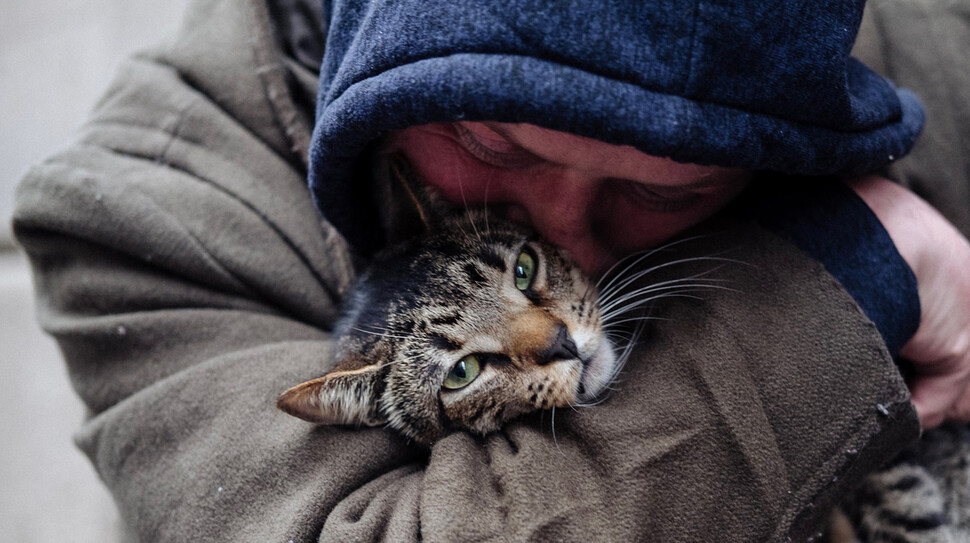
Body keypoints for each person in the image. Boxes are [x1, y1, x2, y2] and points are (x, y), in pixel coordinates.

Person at [11, 0, 969, 541]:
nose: (567, 242)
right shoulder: (140, 213)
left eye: (669, 192)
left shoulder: (939, 43)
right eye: (491, 144)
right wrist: (850, 277)